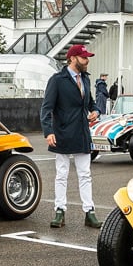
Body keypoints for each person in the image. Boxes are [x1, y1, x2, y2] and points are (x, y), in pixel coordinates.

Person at [41, 44, 100, 229]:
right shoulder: (57, 80)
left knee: (85, 174)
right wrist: (48, 131)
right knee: (62, 174)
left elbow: (90, 102)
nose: (87, 60)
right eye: (84, 57)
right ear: (73, 58)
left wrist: (95, 111)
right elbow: (46, 108)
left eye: (87, 57)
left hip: (82, 133)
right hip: (62, 134)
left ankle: (89, 212)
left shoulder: (86, 79)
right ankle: (60, 211)